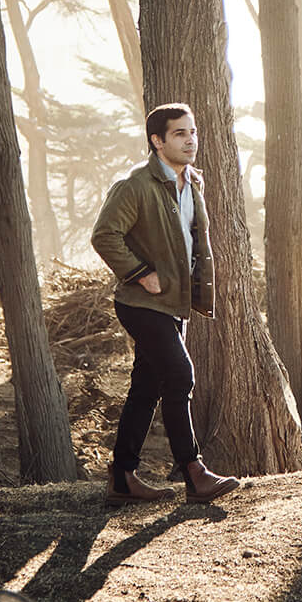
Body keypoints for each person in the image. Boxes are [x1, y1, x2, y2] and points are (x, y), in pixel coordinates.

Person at [91, 102, 241, 505]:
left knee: (147, 385)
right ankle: (195, 474)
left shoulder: (192, 182)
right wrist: (141, 272)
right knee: (179, 374)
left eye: (192, 132)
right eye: (179, 133)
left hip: (175, 305)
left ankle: (122, 478)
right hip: (141, 303)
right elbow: (105, 236)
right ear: (157, 141)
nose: (191, 140)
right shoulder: (135, 185)